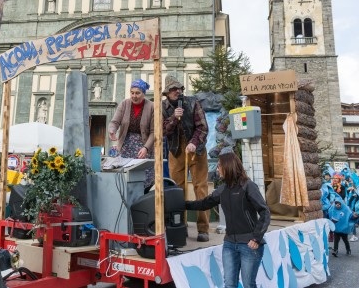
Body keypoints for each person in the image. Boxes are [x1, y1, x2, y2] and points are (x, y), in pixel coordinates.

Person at [185, 151, 270, 288]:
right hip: (229, 244)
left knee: (248, 284)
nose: (217, 169)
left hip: (249, 244)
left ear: (228, 166)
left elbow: (265, 212)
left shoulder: (248, 186)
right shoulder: (222, 189)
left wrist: (256, 238)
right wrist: (182, 204)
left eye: (219, 166)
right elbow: (204, 204)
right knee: (229, 285)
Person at [162, 74, 209, 242]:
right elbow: (162, 131)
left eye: (179, 88)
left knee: (200, 188)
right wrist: (174, 117)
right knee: (178, 191)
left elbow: (203, 127)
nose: (177, 91)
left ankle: (203, 229)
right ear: (167, 92)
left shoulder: (192, 102)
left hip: (196, 149)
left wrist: (194, 143)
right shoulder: (163, 107)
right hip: (176, 151)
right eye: (173, 89)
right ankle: (180, 227)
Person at [108, 79, 155, 188]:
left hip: (143, 148)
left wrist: (146, 148)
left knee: (143, 179)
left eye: (138, 93)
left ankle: (142, 202)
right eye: (132, 93)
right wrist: (112, 130)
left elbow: (154, 132)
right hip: (126, 146)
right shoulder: (124, 104)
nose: (134, 96)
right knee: (125, 178)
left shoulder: (151, 106)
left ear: (144, 93)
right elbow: (115, 122)